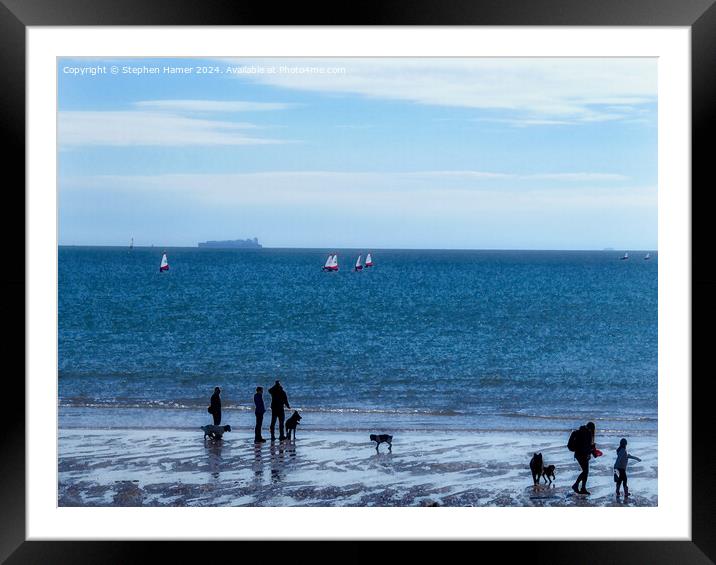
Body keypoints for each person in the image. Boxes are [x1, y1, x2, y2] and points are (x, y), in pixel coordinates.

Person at [571, 421, 596, 495]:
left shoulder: (581, 431)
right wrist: (592, 450)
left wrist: (591, 449)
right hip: (583, 455)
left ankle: (583, 488)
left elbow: (584, 445)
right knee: (585, 471)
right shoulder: (588, 433)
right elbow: (587, 447)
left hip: (578, 454)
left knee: (586, 471)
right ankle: (576, 485)